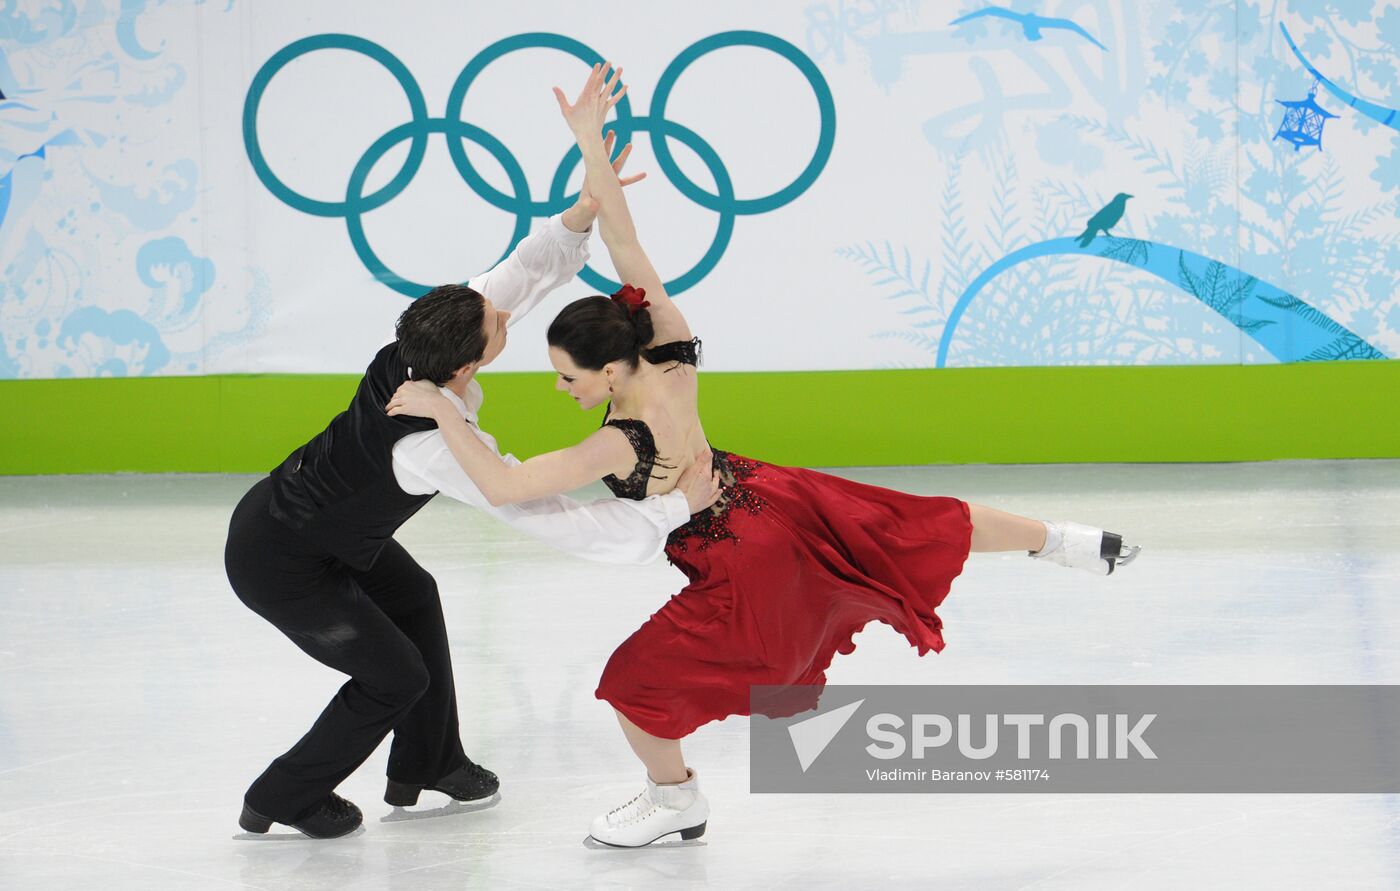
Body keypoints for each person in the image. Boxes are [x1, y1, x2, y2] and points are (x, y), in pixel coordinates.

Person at [385, 63, 1140, 848]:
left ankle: (674, 797)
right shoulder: (666, 343)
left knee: (630, 685)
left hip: (735, 556)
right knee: (909, 522)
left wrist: (442, 407)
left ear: (609, 370)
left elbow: (506, 488)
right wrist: (588, 146)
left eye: (566, 377)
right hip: (764, 492)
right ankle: (1065, 541)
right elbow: (620, 232)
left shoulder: (621, 438)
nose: (560, 388)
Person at [224, 138, 723, 840]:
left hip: (325, 532)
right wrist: (671, 510)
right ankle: (283, 794)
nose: (503, 315)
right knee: (395, 678)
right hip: (282, 562)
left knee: (415, 596)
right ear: (464, 367)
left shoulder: (421, 346)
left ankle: (429, 761)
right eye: (496, 328)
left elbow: (515, 277)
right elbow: (538, 510)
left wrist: (581, 212)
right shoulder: (432, 443)